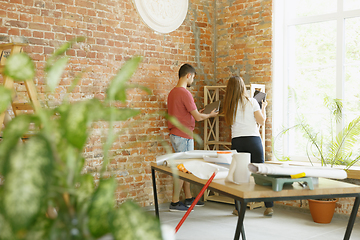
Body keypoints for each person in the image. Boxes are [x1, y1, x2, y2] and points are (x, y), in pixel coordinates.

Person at [167, 63, 219, 212]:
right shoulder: (185, 93)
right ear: (188, 75)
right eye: (193, 78)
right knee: (182, 170)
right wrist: (209, 114)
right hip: (183, 136)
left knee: (185, 168)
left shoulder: (173, 93)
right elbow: (198, 118)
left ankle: (189, 198)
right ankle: (175, 202)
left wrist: (198, 111)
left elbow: (186, 113)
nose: (193, 81)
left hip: (176, 135)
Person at [223, 76, 274, 217]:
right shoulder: (252, 102)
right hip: (253, 140)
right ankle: (269, 207)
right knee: (262, 174)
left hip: (237, 142)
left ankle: (238, 209)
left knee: (238, 175)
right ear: (242, 87)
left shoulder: (229, 105)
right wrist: (263, 107)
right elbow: (261, 121)